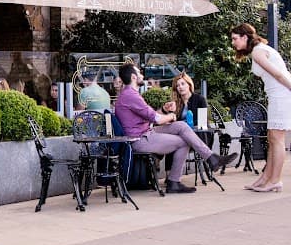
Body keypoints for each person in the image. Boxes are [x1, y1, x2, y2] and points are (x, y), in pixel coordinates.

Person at [115, 63, 237, 193]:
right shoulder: (131, 96)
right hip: (140, 139)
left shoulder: (129, 94)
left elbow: (151, 115)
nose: (142, 75)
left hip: (146, 132)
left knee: (181, 125)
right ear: (133, 77)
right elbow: (157, 119)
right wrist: (172, 116)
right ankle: (174, 181)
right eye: (139, 73)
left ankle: (212, 158)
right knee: (184, 141)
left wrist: (163, 109)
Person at [231, 22, 291, 192]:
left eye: (235, 38)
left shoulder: (258, 52)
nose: (233, 42)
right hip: (277, 96)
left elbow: (278, 74)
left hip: (281, 96)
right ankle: (266, 178)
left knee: (277, 140)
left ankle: (274, 180)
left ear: (245, 37)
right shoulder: (260, 49)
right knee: (272, 139)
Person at [163, 73, 208, 172]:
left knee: (174, 141)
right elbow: (171, 121)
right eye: (178, 85)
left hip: (197, 136)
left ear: (189, 85)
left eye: (183, 84)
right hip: (180, 136)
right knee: (172, 141)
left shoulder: (200, 99)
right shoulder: (175, 103)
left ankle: (172, 176)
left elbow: (203, 122)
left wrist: (186, 124)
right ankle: (169, 175)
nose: (180, 87)